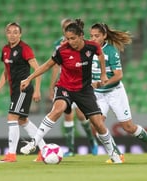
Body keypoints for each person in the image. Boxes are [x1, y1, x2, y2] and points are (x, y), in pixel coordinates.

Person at [20, 19, 123, 163]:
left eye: (73, 38)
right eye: (67, 38)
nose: (70, 41)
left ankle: (113, 154)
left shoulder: (92, 47)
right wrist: (29, 78)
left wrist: (104, 73)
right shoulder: (62, 50)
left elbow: (100, 55)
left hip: (84, 90)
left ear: (81, 35)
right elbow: (47, 66)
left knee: (98, 123)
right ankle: (34, 142)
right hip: (65, 87)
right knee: (58, 109)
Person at [89, 23, 147, 162]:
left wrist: (101, 83)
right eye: (91, 36)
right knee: (96, 125)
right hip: (98, 95)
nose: (93, 39)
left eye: (97, 36)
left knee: (128, 127)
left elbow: (118, 75)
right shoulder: (88, 50)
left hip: (114, 92)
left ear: (104, 36)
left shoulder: (111, 51)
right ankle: (117, 155)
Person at [0, 22, 46, 163]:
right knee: (22, 120)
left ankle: (11, 154)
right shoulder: (5, 49)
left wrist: (37, 90)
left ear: (20, 34)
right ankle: (44, 150)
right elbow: (6, 71)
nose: (12, 34)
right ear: (6, 34)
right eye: (9, 32)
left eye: (15, 32)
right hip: (14, 90)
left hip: (23, 88)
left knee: (12, 117)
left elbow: (38, 69)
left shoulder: (24, 49)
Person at [49, 18, 98, 157]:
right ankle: (70, 149)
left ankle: (92, 141)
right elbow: (55, 65)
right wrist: (52, 86)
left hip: (80, 83)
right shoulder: (59, 44)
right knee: (67, 115)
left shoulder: (81, 43)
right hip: (65, 83)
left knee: (82, 115)